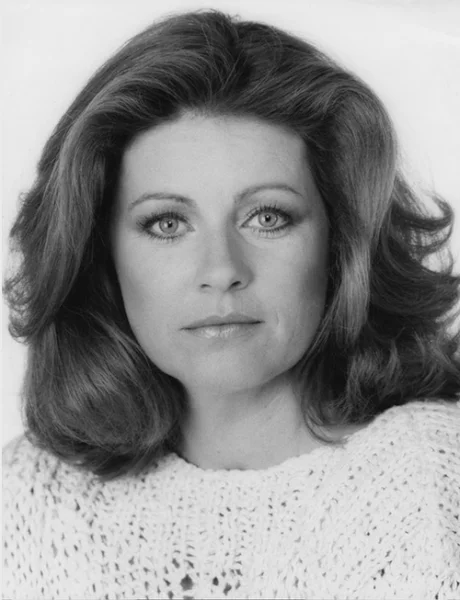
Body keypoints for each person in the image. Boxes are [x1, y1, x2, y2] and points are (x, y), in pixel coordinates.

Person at [2, 7, 460, 600]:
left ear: (341, 240)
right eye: (167, 223)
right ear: (100, 254)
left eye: (267, 217)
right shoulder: (28, 495)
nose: (222, 270)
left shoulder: (433, 481)